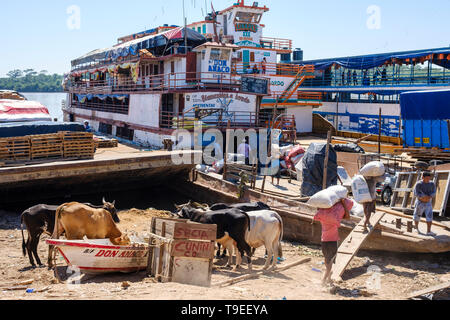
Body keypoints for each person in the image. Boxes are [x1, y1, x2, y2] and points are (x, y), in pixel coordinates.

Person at [314, 198, 353, 286]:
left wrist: (321, 204)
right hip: (332, 242)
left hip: (324, 241)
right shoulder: (335, 215)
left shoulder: (322, 214)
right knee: (330, 263)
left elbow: (318, 210)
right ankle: (323, 280)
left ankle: (328, 278)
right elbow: (347, 216)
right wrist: (343, 203)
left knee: (327, 261)